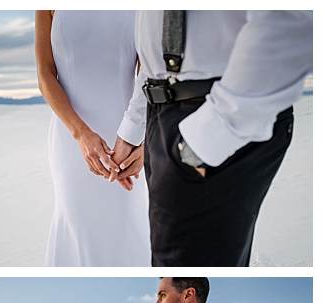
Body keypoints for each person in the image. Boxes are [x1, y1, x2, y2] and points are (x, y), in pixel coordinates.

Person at [111, 11, 312, 266]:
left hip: (215, 116)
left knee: (182, 266)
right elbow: (157, 50)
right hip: (169, 118)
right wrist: (133, 128)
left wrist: (205, 141)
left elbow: (289, 23)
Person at [34, 10, 150, 266]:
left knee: (128, 226)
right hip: (70, 141)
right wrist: (81, 134)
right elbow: (45, 73)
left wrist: (143, 141)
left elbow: (152, 74)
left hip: (130, 141)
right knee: (77, 226)